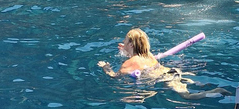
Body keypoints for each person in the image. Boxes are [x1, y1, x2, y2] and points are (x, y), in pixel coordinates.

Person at [97, 28, 229, 100]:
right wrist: (127, 50)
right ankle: (202, 83)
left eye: (125, 41)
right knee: (186, 83)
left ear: (131, 44)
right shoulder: (147, 55)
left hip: (166, 78)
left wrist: (105, 67)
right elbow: (137, 59)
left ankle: (216, 92)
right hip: (171, 71)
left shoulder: (129, 63)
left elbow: (115, 76)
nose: (123, 42)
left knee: (188, 96)